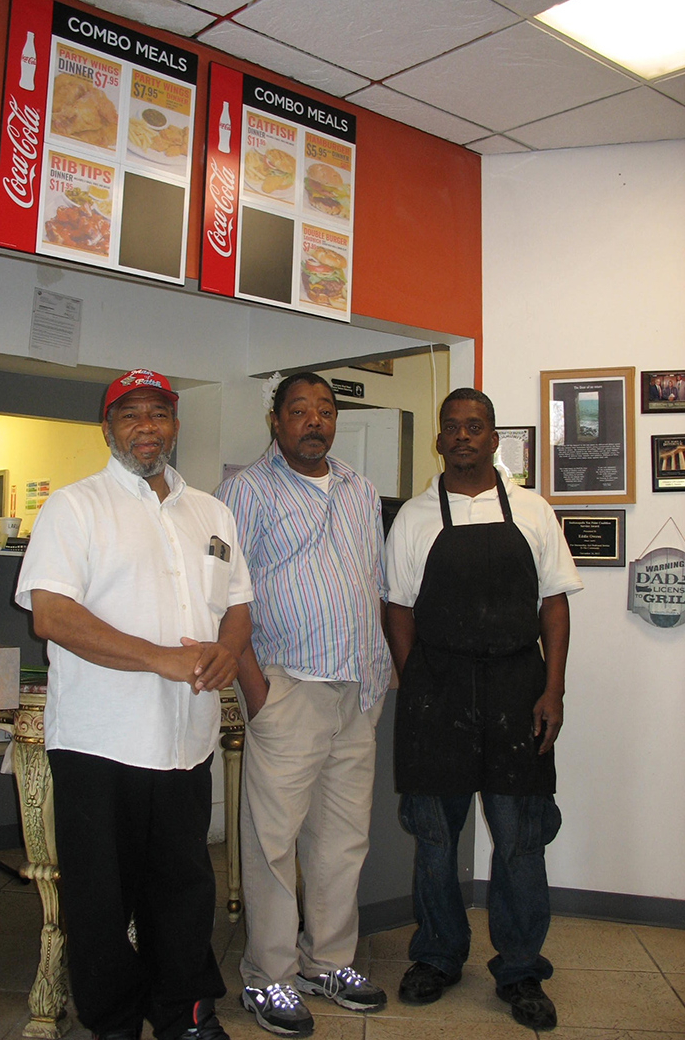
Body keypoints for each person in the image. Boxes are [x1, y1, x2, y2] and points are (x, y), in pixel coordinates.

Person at [15, 368, 253, 1040]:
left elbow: (238, 604)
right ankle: (114, 1021)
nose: (147, 426)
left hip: (185, 737)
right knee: (99, 897)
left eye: (159, 413)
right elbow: (53, 616)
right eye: (132, 415)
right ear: (108, 427)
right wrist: (163, 657)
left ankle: (185, 1012)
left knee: (184, 887)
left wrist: (228, 652)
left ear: (175, 424)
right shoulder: (75, 506)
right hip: (101, 741)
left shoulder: (211, 511)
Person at [385, 388, 582, 1032]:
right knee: (435, 839)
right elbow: (399, 609)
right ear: (439, 440)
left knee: (521, 840)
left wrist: (551, 690)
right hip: (436, 691)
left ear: (495, 439)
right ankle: (438, 956)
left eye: (477, 427)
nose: (464, 436)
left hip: (516, 691)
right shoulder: (414, 517)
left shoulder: (532, 510)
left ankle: (521, 967)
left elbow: (555, 603)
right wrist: (419, 678)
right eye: (453, 427)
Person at [216, 372, 392, 1037]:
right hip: (288, 688)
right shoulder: (244, 491)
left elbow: (369, 580)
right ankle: (268, 973)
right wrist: (258, 692)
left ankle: (329, 959)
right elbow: (225, 596)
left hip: (355, 689)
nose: (314, 421)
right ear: (275, 419)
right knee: (272, 842)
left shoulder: (359, 487)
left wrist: (376, 673)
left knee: (342, 839)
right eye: (300, 410)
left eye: (325, 410)